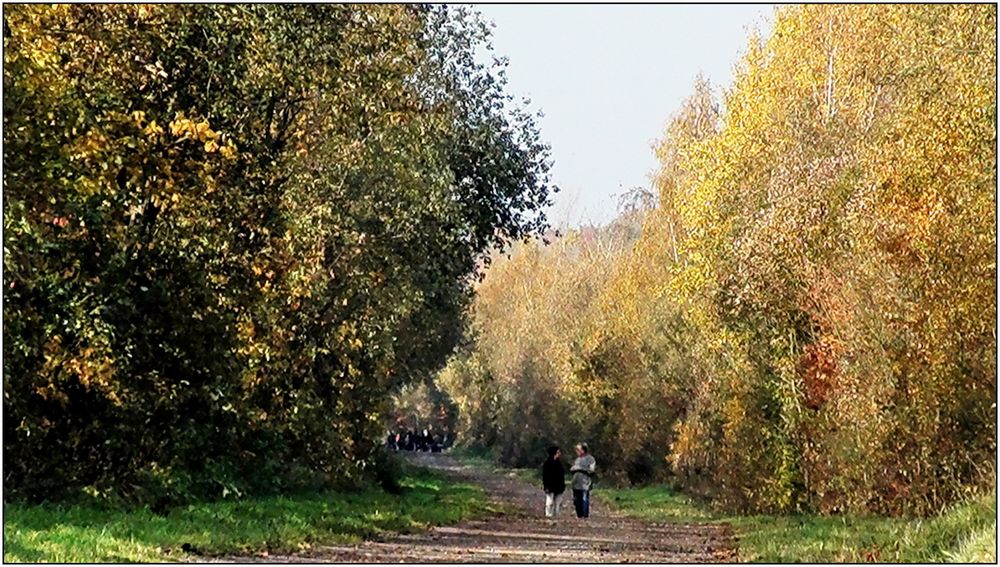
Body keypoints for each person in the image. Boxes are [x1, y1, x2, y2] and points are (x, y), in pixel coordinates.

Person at [569, 442, 596, 519]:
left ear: (583, 450)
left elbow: (591, 470)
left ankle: (585, 516)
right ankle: (579, 515)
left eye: (578, 449)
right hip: (576, 483)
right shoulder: (577, 459)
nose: (576, 451)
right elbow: (572, 468)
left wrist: (580, 468)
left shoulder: (591, 459)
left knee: (584, 500)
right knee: (576, 500)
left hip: (585, 483)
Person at [541, 446, 566, 518]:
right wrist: (546, 486)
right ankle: (548, 515)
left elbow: (562, 476)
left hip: (559, 486)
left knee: (558, 503)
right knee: (550, 502)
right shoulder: (547, 464)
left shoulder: (559, 464)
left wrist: (563, 485)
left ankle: (557, 515)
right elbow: (545, 476)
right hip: (550, 486)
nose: (559, 454)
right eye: (558, 452)